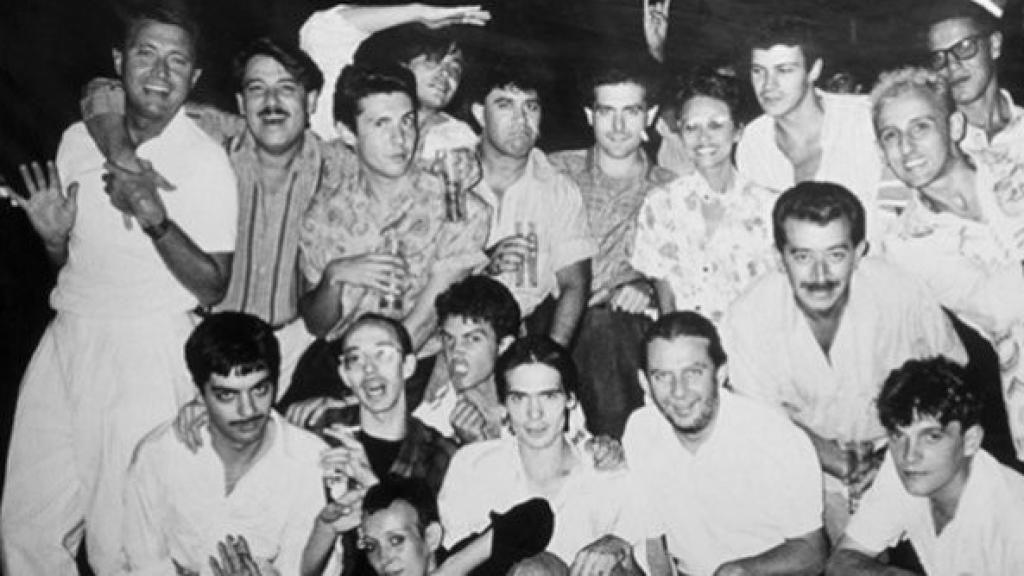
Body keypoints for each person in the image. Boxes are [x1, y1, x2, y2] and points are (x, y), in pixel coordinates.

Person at [0, 3, 238, 574]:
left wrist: (156, 219)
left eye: (176, 60)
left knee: (126, 539)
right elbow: (71, 261)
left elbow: (213, 287)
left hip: (148, 350)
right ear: (119, 61)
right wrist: (53, 237)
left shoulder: (206, 163)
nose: (160, 73)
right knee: (28, 525)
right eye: (145, 54)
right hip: (69, 334)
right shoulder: (78, 140)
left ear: (195, 78)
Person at [76, 36, 344, 393]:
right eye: (256, 89)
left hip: (292, 347)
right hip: (200, 337)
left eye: (286, 89)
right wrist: (126, 162)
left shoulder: (340, 168)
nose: (271, 103)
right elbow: (103, 90)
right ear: (240, 102)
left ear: (310, 101)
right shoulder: (210, 135)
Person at [722, 182, 968, 539]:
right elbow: (765, 426)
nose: (820, 276)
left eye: (835, 255)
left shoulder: (901, 293)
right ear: (779, 258)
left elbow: (952, 382)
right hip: (812, 465)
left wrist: (892, 461)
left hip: (907, 449)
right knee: (846, 557)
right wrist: (844, 467)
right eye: (803, 257)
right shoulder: (748, 317)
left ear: (859, 252)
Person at [291, 63, 490, 408]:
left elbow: (426, 318)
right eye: (380, 124)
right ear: (348, 133)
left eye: (407, 122)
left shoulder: (458, 208)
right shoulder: (323, 213)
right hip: (341, 357)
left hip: (418, 362)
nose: (400, 139)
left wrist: (358, 395)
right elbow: (317, 324)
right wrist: (334, 277)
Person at [573, 311, 826, 576]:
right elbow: (653, 539)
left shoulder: (775, 438)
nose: (679, 391)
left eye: (693, 373)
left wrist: (741, 570)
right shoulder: (642, 430)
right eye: (662, 376)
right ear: (644, 383)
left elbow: (812, 552)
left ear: (721, 374)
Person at [873, 66, 1024, 465]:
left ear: (954, 125)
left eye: (920, 127)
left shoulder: (1014, 162)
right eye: (891, 135)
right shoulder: (907, 244)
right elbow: (998, 307)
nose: (906, 147)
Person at [121, 312, 336, 575]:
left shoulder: (310, 460)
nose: (247, 410)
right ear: (200, 394)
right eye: (227, 395)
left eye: (259, 389)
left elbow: (305, 568)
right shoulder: (159, 454)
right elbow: (145, 564)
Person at [546, 61, 672, 438]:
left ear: (648, 116)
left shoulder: (670, 190)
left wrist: (645, 287)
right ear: (590, 115)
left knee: (604, 328)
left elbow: (679, 272)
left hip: (619, 328)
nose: (618, 127)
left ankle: (618, 447)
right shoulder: (555, 171)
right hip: (551, 314)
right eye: (607, 112)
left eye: (630, 112)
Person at [437, 336, 640, 567]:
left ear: (571, 400)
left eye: (549, 396)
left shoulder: (607, 478)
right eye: (519, 398)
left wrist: (619, 549)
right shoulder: (473, 467)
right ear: (504, 405)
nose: (534, 413)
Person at [827, 357, 1024, 575]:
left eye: (931, 437)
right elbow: (842, 561)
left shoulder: (1012, 517)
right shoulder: (901, 470)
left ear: (970, 441)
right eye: (897, 435)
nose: (909, 456)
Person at [297, 314, 458, 575]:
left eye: (382, 354)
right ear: (345, 374)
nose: (369, 369)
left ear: (407, 366)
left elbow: (436, 558)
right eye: (355, 358)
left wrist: (371, 483)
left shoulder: (440, 454)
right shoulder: (322, 438)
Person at [734, 15, 905, 242]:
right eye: (758, 71)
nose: (768, 85)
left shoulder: (865, 119)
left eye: (784, 70)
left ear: (814, 70)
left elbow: (906, 205)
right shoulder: (753, 143)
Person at [472, 53, 597, 348]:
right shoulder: (449, 179)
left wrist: (551, 358)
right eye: (505, 105)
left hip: (520, 334)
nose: (521, 120)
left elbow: (574, 284)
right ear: (480, 114)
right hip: (448, 333)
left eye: (531, 107)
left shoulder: (557, 189)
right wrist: (484, 264)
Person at [632, 67, 775, 325]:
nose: (703, 138)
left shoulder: (770, 208)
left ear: (738, 131)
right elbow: (667, 300)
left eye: (716, 125)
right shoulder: (661, 204)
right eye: (691, 127)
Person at [299, 2, 490, 141]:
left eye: (454, 68)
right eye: (432, 61)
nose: (445, 74)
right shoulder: (352, 109)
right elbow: (323, 30)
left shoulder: (456, 136)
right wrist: (417, 12)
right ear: (403, 65)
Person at [924, 0, 1024, 166]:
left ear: (994, 45)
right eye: (939, 57)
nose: (952, 65)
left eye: (964, 47)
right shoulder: (934, 140)